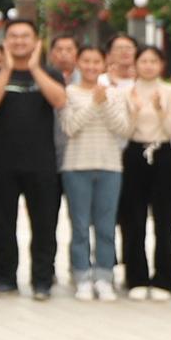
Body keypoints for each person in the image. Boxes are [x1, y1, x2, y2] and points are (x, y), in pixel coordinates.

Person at [0, 19, 67, 299]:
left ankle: (42, 280)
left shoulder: (50, 73)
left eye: (25, 36)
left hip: (41, 161)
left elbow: (59, 100)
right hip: (2, 161)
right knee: (3, 222)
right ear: (6, 41)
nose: (19, 41)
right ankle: (4, 278)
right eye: (13, 36)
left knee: (44, 224)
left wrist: (34, 68)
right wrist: (6, 68)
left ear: (35, 41)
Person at [59, 45, 129, 303]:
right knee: (79, 226)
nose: (90, 66)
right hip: (76, 166)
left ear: (104, 63)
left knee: (106, 226)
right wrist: (94, 104)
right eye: (85, 61)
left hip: (110, 166)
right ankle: (82, 276)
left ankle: (104, 276)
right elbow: (70, 127)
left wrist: (105, 102)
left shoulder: (117, 94)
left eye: (96, 61)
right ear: (78, 63)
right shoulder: (69, 92)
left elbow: (123, 128)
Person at [119, 46, 171, 301]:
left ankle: (163, 279)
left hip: (163, 153)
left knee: (165, 219)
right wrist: (135, 111)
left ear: (162, 64)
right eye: (143, 61)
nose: (148, 65)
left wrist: (159, 109)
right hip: (134, 154)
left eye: (153, 61)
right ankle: (136, 277)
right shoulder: (125, 92)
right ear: (135, 64)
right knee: (133, 218)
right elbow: (123, 131)